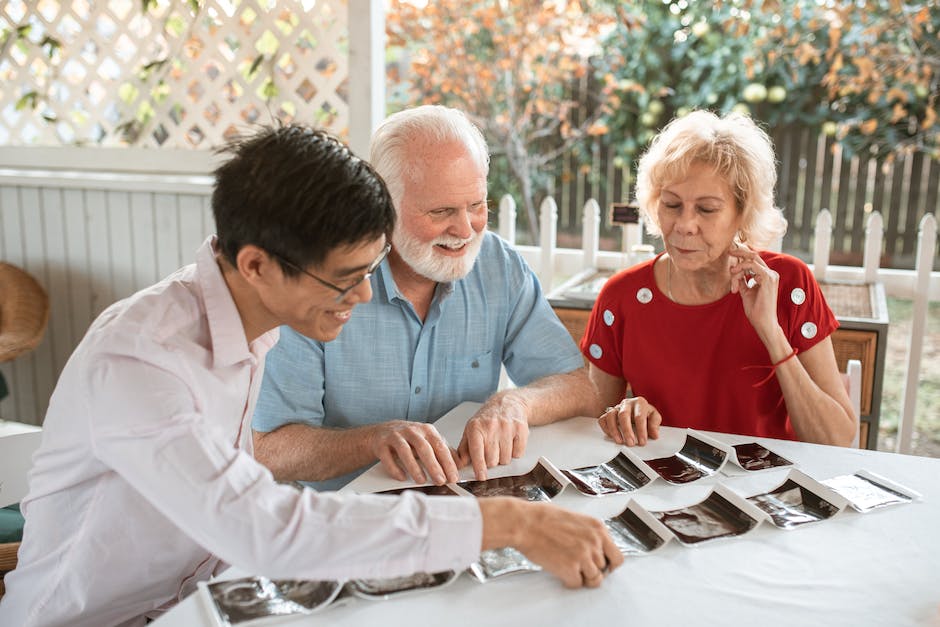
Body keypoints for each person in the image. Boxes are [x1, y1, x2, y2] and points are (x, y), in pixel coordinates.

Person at [0, 125, 622, 627]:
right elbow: (265, 526)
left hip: (209, 597)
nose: (364, 294)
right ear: (257, 265)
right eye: (345, 279)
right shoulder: (141, 362)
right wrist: (510, 523)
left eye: (368, 269)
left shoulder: (252, 314)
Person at [252, 105, 595, 490]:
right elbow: (268, 450)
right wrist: (373, 440)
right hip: (341, 521)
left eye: (477, 205)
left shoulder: (499, 266)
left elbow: (579, 385)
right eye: (441, 211)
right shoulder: (319, 280)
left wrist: (515, 403)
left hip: (461, 508)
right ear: (383, 204)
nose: (466, 229)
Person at [583, 110, 857, 448]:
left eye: (706, 209)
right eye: (671, 205)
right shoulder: (621, 296)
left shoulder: (787, 284)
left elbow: (837, 440)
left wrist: (771, 333)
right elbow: (590, 425)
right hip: (663, 489)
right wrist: (622, 412)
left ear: (743, 212)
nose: (684, 224)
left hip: (765, 490)